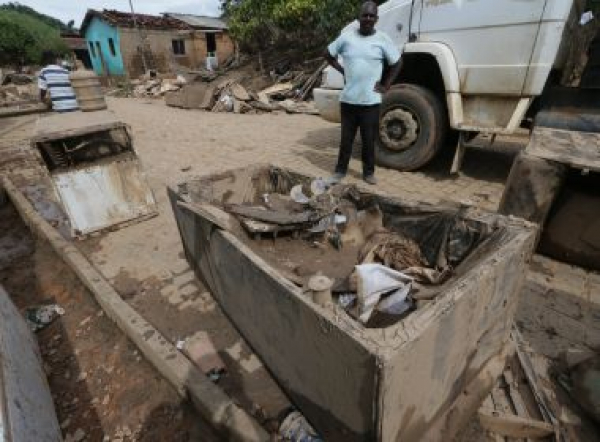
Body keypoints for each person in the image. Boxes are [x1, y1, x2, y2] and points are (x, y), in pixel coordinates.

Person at [325, 1, 402, 185]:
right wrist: (343, 70)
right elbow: (327, 54)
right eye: (364, 15)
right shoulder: (346, 38)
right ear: (359, 17)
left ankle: (368, 173)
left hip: (371, 101)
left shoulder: (383, 39)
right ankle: (340, 171)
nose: (367, 18)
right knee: (346, 140)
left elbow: (397, 63)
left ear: (376, 18)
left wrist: (386, 85)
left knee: (369, 141)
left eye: (371, 16)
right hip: (349, 100)